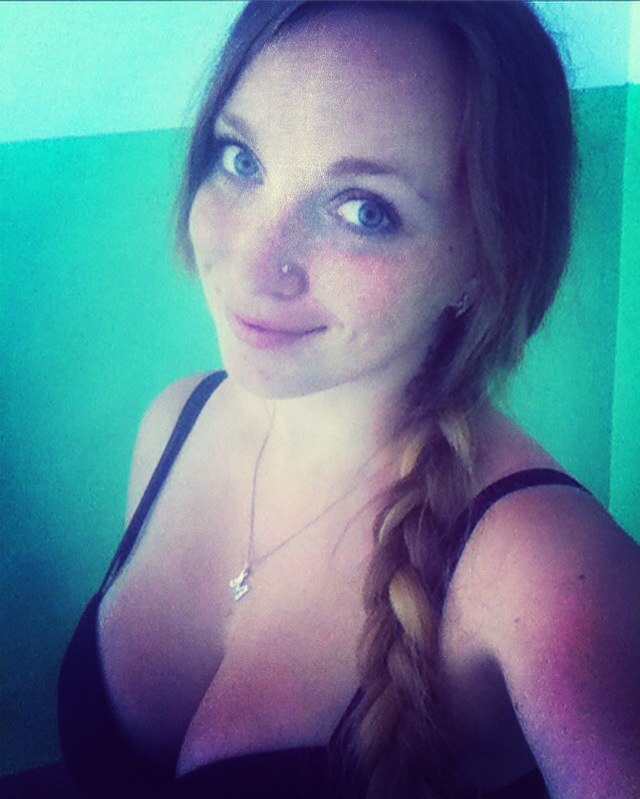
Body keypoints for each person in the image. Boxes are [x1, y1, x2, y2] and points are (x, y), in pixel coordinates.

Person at [50, 2, 640, 798]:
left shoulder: (548, 568)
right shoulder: (174, 423)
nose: (253, 264)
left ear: (485, 260)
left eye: (364, 210)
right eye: (241, 160)